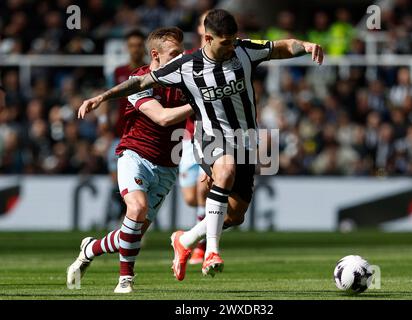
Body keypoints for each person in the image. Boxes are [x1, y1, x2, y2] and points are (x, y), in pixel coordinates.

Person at [78, 9, 324, 281]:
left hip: (244, 139)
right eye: (225, 42)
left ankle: (185, 240)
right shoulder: (187, 66)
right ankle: (211, 252)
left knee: (236, 214)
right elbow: (140, 81)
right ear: (208, 38)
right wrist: (102, 97)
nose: (231, 46)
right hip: (209, 137)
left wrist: (307, 45)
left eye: (233, 40)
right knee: (226, 170)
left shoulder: (243, 50)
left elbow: (280, 47)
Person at [67, 27, 193, 293]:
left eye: (182, 52)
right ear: (156, 55)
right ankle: (126, 279)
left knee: (132, 234)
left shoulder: (186, 81)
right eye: (175, 54)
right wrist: (203, 102)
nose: (181, 58)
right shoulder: (139, 79)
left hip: (168, 164)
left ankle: (90, 248)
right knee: (135, 210)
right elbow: (162, 118)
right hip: (135, 154)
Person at [105, 29, 147, 228]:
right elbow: (110, 100)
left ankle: (128, 224)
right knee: (118, 184)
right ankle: (124, 222)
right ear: (127, 48)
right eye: (132, 45)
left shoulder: (150, 72)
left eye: (139, 45)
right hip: (119, 134)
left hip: (141, 136)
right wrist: (105, 122)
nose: (135, 49)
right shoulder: (119, 72)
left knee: (135, 185)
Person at [179, 11, 209, 266]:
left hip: (214, 136)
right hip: (188, 137)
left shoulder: (229, 58)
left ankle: (201, 247)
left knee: (203, 188)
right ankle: (197, 234)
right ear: (200, 29)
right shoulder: (187, 59)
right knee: (190, 197)